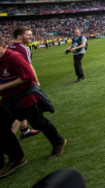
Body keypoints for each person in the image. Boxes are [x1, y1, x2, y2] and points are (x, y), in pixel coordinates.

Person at [0, 37, 66, 180]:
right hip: (8, 100)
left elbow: (28, 76)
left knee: (38, 122)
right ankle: (17, 158)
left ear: (4, 46)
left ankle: (58, 142)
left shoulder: (14, 57)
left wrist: (2, 87)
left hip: (25, 97)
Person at [10, 27, 40, 139]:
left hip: (9, 81)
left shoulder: (9, 46)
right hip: (22, 83)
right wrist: (36, 80)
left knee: (20, 108)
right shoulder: (23, 49)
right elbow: (28, 67)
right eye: (28, 34)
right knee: (21, 110)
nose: (31, 36)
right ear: (19, 36)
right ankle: (9, 139)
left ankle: (24, 130)